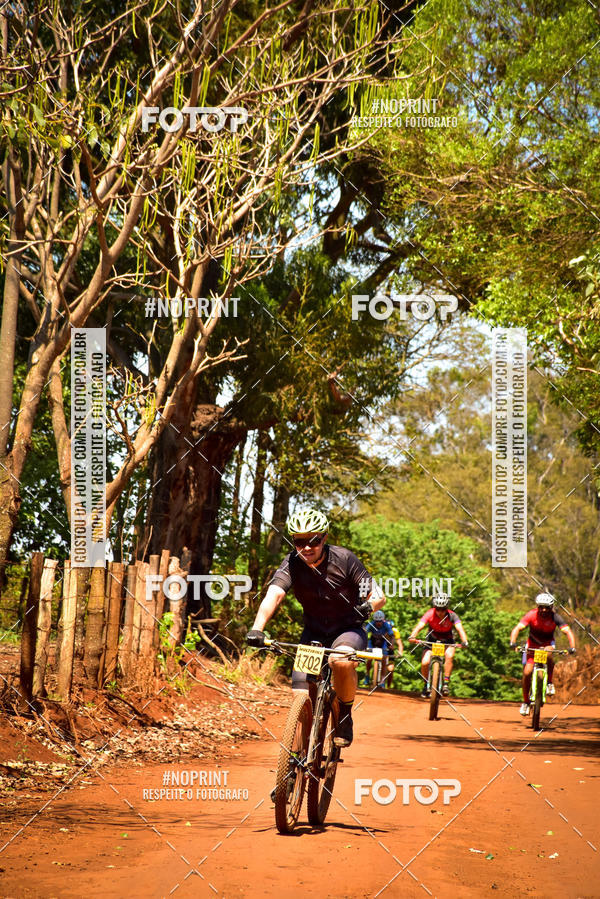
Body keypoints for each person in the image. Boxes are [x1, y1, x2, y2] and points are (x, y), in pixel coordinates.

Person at [246, 507, 383, 748]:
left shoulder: (344, 559)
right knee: (300, 694)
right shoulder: (292, 563)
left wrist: (368, 607)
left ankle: (344, 715)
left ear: (324, 538)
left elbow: (377, 594)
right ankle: (297, 756)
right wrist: (258, 628)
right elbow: (274, 595)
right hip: (314, 632)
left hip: (347, 629)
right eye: (299, 541)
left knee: (340, 661)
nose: (307, 547)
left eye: (313, 540)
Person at [509, 592, 576, 716]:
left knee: (549, 653)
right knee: (527, 673)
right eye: (541, 607)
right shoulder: (531, 615)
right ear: (537, 606)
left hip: (547, 643)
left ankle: (549, 683)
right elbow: (517, 628)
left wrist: (572, 647)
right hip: (532, 645)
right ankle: (525, 702)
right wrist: (513, 643)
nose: (544, 610)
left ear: (551, 608)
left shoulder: (555, 617)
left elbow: (568, 632)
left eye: (547, 607)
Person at [408, 593, 468, 697]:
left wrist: (464, 641)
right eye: (438, 609)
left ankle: (445, 684)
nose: (440, 612)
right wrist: (412, 636)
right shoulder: (429, 613)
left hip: (448, 640)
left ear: (447, 608)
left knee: (450, 656)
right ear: (434, 607)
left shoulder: (452, 615)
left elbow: (460, 629)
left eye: (443, 609)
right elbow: (420, 626)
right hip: (432, 639)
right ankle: (425, 684)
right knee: (425, 662)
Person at [362, 610, 403, 689]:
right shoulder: (371, 624)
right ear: (374, 620)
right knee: (369, 658)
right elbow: (364, 632)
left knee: (384, 660)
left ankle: (382, 680)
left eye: (380, 621)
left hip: (383, 642)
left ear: (383, 620)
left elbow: (392, 635)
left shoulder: (386, 625)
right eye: (376, 621)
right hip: (372, 641)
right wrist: (364, 643)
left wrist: (391, 644)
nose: (378, 623)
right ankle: (367, 675)